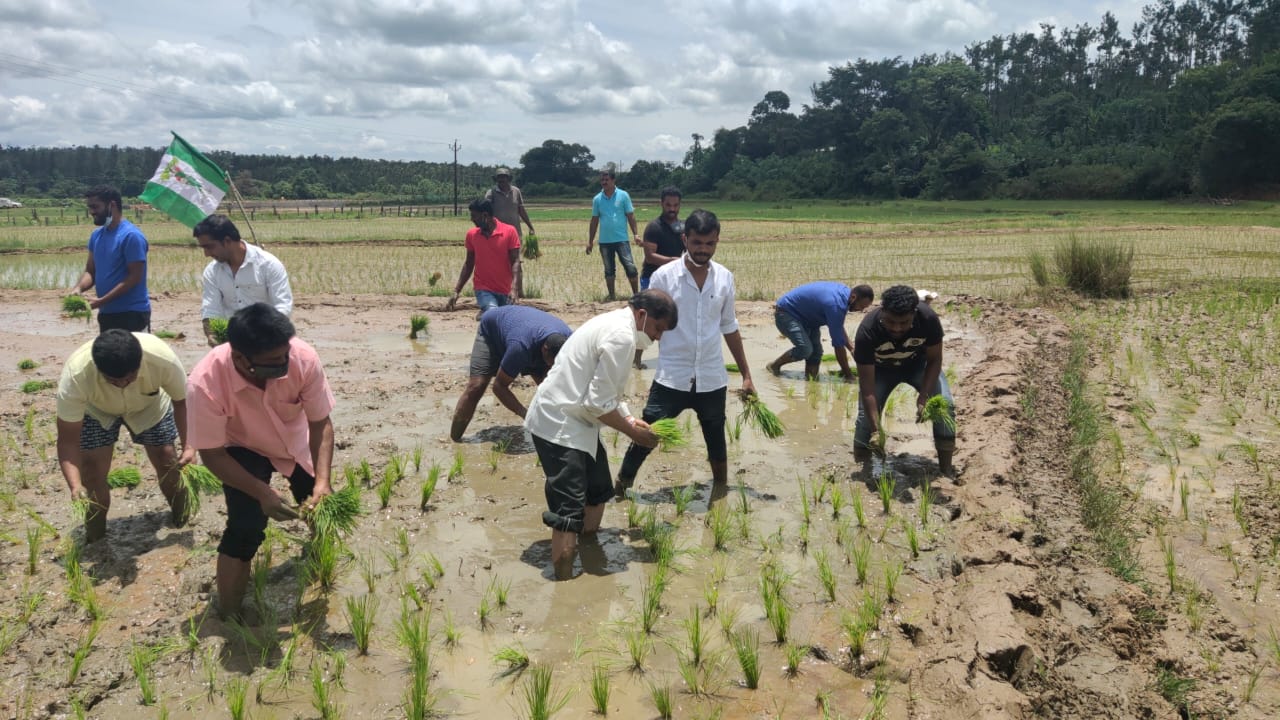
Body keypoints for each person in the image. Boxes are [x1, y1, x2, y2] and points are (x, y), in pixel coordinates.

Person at [185, 304, 336, 618]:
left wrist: (323, 482)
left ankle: (323, 568)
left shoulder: (302, 359)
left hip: (294, 440)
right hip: (241, 446)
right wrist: (262, 493)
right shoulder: (205, 383)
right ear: (241, 358)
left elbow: (320, 423)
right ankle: (228, 614)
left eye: (284, 357)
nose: (283, 365)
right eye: (272, 363)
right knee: (245, 526)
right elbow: (212, 454)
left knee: (319, 506)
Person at [524, 290, 677, 579]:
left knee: (597, 489)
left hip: (579, 421)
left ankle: (589, 550)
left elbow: (606, 392)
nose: (658, 338)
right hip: (559, 422)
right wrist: (633, 433)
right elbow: (596, 403)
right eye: (658, 329)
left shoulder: (618, 326)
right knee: (568, 510)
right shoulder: (621, 336)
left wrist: (630, 417)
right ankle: (565, 585)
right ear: (643, 314)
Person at [615, 209, 755, 497]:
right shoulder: (665, 277)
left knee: (717, 439)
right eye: (697, 243)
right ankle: (620, 487)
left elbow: (729, 327)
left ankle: (720, 493)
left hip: (712, 378)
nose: (703, 250)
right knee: (646, 435)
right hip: (671, 378)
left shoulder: (725, 278)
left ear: (717, 241)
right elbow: (640, 323)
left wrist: (747, 375)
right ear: (685, 239)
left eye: (709, 244)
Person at [55, 329, 193, 542]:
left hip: (149, 405)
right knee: (91, 472)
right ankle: (96, 538)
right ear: (99, 369)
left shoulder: (162, 359)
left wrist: (190, 445)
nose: (121, 384)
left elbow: (183, 402)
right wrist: (75, 485)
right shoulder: (76, 376)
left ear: (140, 363)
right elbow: (67, 441)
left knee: (168, 460)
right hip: (96, 410)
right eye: (113, 380)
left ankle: (182, 518)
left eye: (129, 379)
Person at [852, 284, 956, 475]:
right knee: (865, 420)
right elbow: (867, 388)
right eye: (891, 322)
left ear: (914, 314)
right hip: (881, 370)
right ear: (882, 311)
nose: (897, 328)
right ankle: (863, 467)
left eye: (904, 323)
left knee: (945, 406)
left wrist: (924, 396)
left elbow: (935, 359)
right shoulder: (867, 331)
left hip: (918, 365)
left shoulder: (928, 319)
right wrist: (876, 431)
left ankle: (946, 469)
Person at [450, 305, 571, 441]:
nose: (551, 366)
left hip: (525, 329)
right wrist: (525, 414)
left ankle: (555, 430)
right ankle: (455, 439)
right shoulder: (520, 347)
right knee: (477, 386)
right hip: (492, 329)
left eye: (557, 362)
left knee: (550, 385)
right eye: (551, 362)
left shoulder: (571, 341)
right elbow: (499, 387)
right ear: (544, 349)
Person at [195, 214, 294, 346]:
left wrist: (261, 333)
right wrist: (212, 334)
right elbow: (211, 309)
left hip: (267, 339)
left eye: (209, 247)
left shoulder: (268, 265)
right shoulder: (212, 271)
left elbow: (283, 307)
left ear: (227, 241)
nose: (206, 254)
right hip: (232, 341)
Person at [70, 185, 151, 332]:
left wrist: (102, 301)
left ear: (112, 205)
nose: (92, 212)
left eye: (95, 207)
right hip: (107, 313)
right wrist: (78, 288)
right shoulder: (96, 236)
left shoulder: (131, 236)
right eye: (90, 207)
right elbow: (91, 271)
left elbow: (134, 277)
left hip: (132, 314)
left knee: (133, 355)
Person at [766, 282, 874, 381]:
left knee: (816, 353)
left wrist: (851, 348)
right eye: (861, 306)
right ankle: (774, 366)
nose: (861, 310)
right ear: (854, 297)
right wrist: (848, 375)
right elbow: (838, 345)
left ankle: (810, 382)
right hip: (787, 313)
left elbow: (837, 326)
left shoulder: (846, 295)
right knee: (805, 349)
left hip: (808, 318)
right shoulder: (836, 305)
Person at [634, 186, 685, 368]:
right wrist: (673, 261)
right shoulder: (654, 227)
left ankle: (671, 355)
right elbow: (650, 256)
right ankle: (636, 359)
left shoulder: (682, 227)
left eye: (676, 205)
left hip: (674, 279)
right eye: (668, 205)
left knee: (672, 318)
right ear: (661, 204)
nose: (672, 209)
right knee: (646, 320)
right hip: (652, 278)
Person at [446, 198, 522, 315]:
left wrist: (514, 288)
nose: (472, 219)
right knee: (493, 313)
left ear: (485, 215)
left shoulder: (509, 232)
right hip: (483, 289)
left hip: (506, 290)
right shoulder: (472, 235)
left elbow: (515, 262)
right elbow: (469, 264)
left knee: (507, 320)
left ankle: (484, 315)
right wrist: (456, 291)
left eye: (474, 216)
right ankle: (487, 312)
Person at [585, 170, 640, 300]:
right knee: (609, 270)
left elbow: (631, 216)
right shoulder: (597, 199)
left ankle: (637, 296)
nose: (604, 182)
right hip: (605, 241)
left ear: (613, 181)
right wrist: (590, 241)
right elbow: (594, 221)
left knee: (630, 267)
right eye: (602, 180)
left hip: (622, 239)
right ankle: (612, 296)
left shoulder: (623, 195)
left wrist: (636, 234)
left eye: (606, 180)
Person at [483, 168, 535, 239]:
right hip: (498, 232)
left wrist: (530, 226)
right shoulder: (491, 193)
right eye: (499, 177)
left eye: (504, 177)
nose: (501, 179)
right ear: (496, 179)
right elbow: (485, 211)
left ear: (509, 179)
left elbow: (521, 210)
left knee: (517, 249)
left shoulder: (516, 191)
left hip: (515, 231)